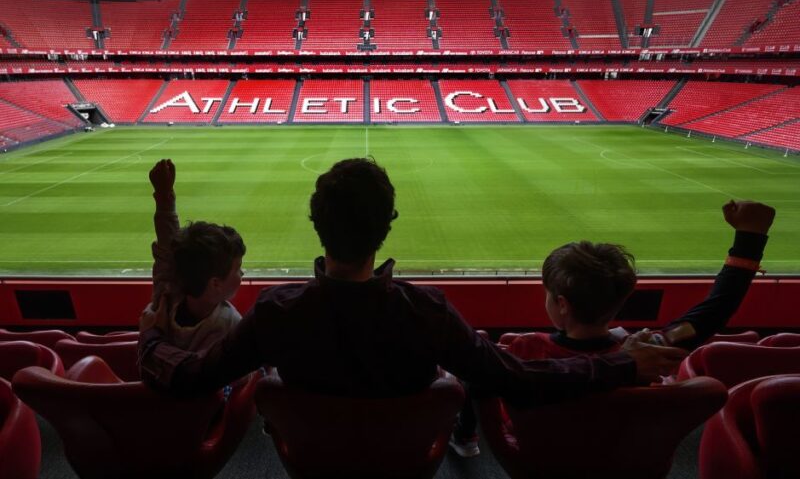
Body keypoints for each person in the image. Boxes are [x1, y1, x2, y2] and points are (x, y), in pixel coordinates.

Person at [139, 158, 685, 408]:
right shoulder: (428, 312)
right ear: (386, 229)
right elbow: (515, 379)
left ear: (317, 225)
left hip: (306, 459)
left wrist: (149, 338)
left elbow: (191, 378)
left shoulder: (275, 312)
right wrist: (620, 363)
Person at [450, 199, 774, 456]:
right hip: (625, 456)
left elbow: (480, 375)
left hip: (536, 458)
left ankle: (465, 438)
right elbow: (715, 310)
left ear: (562, 304)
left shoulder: (523, 349)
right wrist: (750, 237)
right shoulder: (653, 349)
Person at [139, 159, 246, 352]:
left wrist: (164, 197)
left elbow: (167, 252)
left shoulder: (165, 298)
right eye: (237, 269)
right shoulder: (232, 326)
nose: (242, 273)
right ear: (215, 284)